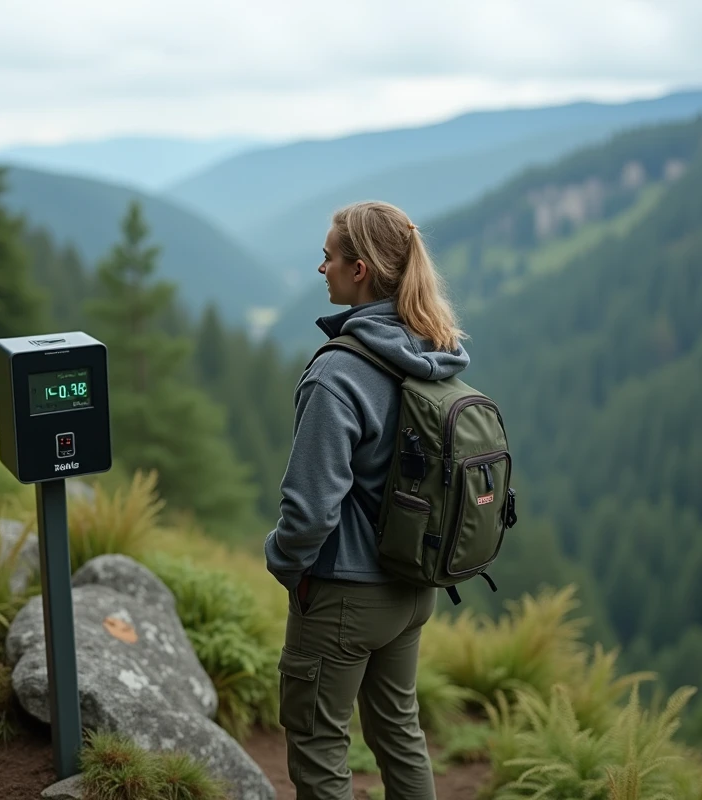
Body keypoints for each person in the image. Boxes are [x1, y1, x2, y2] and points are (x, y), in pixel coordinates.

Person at [264, 200, 470, 799]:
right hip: (413, 588)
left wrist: (283, 563)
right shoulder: (433, 349)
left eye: (327, 258)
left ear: (359, 270)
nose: (320, 268)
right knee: (399, 734)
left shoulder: (338, 374)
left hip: (344, 597)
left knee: (319, 743)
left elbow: (308, 511)